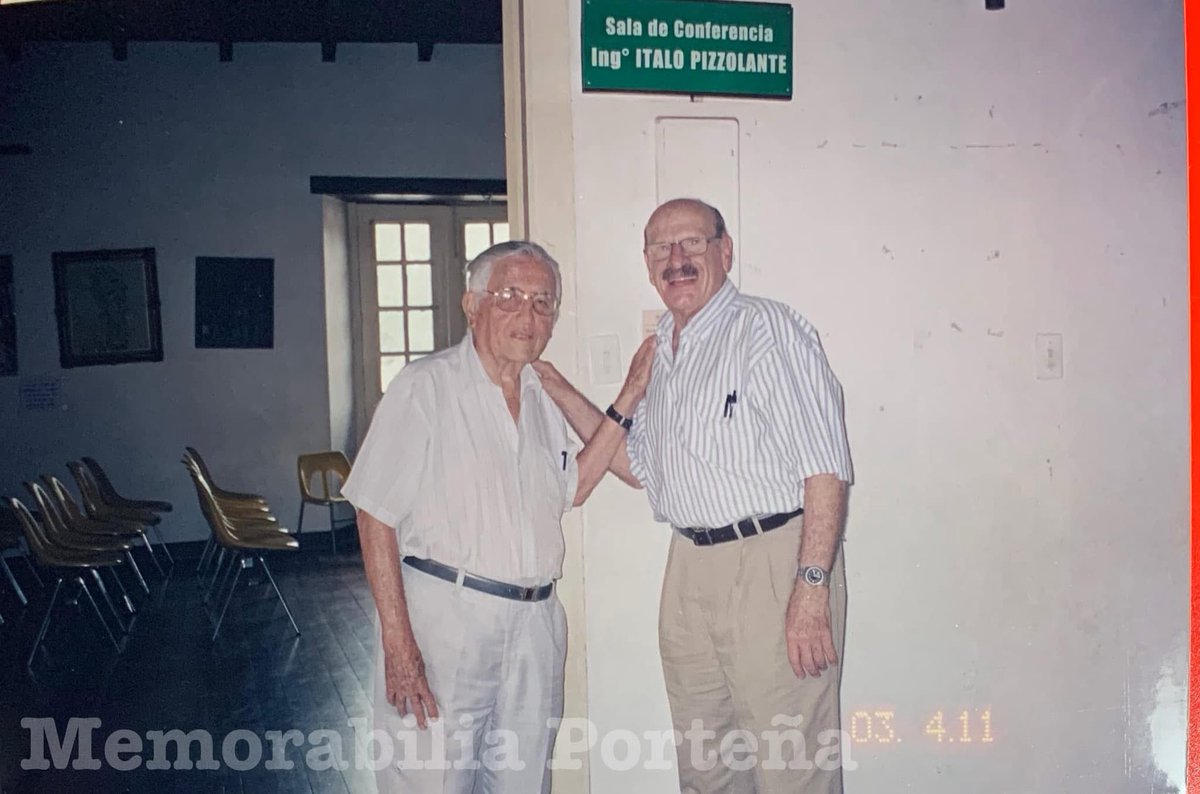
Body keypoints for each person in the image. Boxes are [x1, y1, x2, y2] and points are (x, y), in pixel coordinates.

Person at [534, 198, 854, 793]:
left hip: (772, 563)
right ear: (648, 263)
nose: (676, 259)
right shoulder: (664, 347)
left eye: (692, 244)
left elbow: (826, 468)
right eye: (661, 248)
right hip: (687, 571)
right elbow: (638, 468)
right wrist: (557, 388)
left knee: (793, 765)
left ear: (724, 251)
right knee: (707, 768)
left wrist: (811, 590)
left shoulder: (767, 329)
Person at [342, 240, 653, 794]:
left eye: (543, 302)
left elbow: (572, 488)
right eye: (510, 295)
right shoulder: (426, 386)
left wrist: (628, 395)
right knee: (430, 779)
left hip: (535, 626)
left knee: (523, 782)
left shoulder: (538, 396)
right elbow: (373, 513)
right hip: (446, 622)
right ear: (472, 305)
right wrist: (398, 645)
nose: (529, 314)